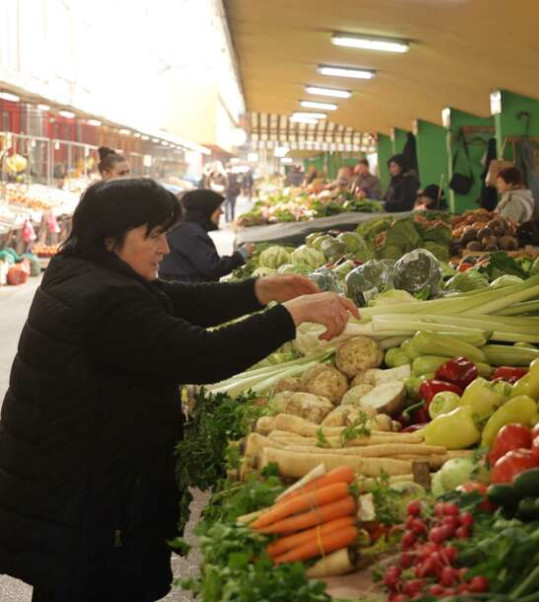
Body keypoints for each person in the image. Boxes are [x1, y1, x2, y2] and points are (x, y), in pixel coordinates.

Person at [0, 178, 358, 601]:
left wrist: (256, 291)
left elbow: (168, 301)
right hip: (91, 502)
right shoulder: (107, 303)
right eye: (153, 235)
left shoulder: (84, 271)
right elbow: (200, 355)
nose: (165, 248)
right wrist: (289, 317)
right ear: (111, 238)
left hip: (71, 485)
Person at [159, 189, 252, 282]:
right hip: (190, 293)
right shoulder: (190, 233)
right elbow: (213, 267)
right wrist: (241, 254)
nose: (221, 212)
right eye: (218, 208)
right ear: (207, 209)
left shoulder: (187, 229)